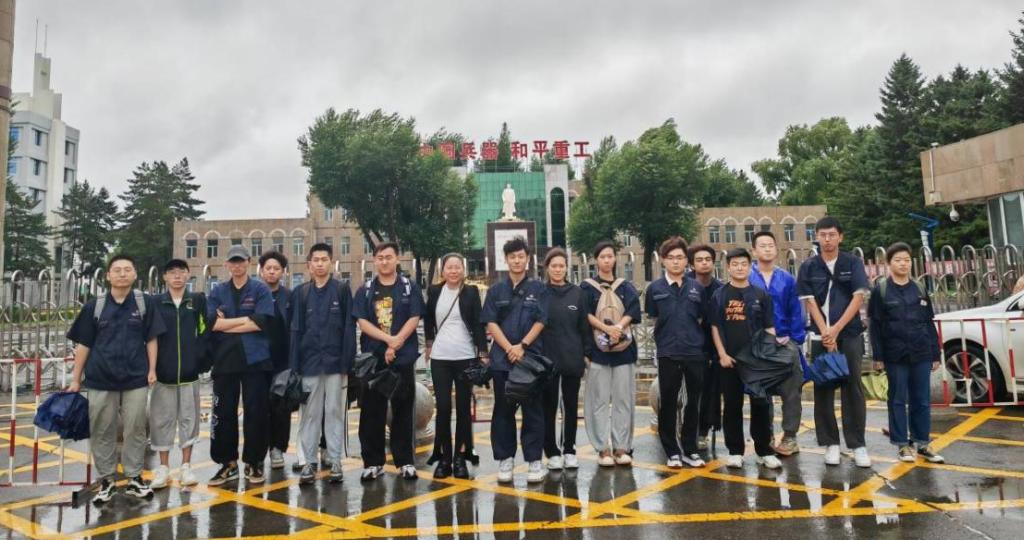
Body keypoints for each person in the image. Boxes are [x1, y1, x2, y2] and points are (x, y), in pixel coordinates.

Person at [66, 254, 166, 503]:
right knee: (102, 429)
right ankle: (106, 480)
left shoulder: (144, 303)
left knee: (136, 428)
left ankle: (134, 478)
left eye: (127, 269)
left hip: (135, 377)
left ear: (135, 274)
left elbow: (152, 339)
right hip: (100, 378)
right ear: (108, 275)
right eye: (117, 270)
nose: (122, 274)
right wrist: (76, 379)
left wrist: (152, 369)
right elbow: (83, 344)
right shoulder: (95, 306)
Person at [797, 216, 872, 468]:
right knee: (824, 388)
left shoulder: (853, 263)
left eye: (832, 234)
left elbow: (858, 298)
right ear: (816, 237)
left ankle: (858, 444)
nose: (827, 239)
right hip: (821, 336)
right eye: (822, 235)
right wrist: (825, 333)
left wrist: (837, 329)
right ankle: (830, 443)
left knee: (853, 388)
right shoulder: (808, 266)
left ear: (840, 236)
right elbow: (810, 302)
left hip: (849, 333)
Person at [353, 242, 424, 481]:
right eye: (380, 257)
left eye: (389, 257)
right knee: (372, 411)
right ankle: (373, 462)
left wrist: (396, 343)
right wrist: (388, 341)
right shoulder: (365, 290)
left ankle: (405, 461)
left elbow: (414, 317)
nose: (384, 261)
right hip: (374, 359)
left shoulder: (409, 288)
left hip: (402, 358)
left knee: (403, 409)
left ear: (397, 259)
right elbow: (362, 322)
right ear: (375, 261)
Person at [869, 242, 945, 464]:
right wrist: (878, 356)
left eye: (907, 260)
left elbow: (928, 322)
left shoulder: (919, 288)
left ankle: (922, 443)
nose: (903, 264)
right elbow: (875, 326)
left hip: (921, 352)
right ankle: (902, 444)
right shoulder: (881, 290)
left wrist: (935, 353)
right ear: (888, 263)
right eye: (898, 260)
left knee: (921, 400)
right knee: (897, 399)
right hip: (895, 354)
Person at [206, 245, 276, 486]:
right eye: (232, 262)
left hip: (255, 359)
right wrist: (245, 320)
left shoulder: (260, 289)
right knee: (223, 413)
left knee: (256, 412)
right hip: (225, 360)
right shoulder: (217, 291)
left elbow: (261, 322)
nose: (237, 265)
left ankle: (254, 462)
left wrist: (228, 324)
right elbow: (212, 324)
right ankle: (228, 463)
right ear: (226, 264)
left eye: (241, 261)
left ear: (249, 262)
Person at [480, 236, 548, 483]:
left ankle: (534, 461)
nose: (517, 260)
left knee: (533, 411)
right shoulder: (496, 290)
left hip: (530, 360)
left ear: (527, 259)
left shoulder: (539, 289)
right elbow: (490, 322)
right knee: (503, 410)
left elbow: (541, 320)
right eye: (512, 257)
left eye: (521, 256)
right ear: (506, 260)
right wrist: (509, 347)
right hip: (502, 360)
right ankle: (505, 459)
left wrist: (523, 346)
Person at [290, 243, 356, 485]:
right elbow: (296, 330)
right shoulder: (301, 293)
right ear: (309, 265)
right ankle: (309, 463)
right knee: (310, 415)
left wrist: (348, 364)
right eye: (315, 260)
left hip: (336, 364)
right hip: (309, 364)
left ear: (331, 263)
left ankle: (335, 461)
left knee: (334, 412)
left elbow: (349, 329)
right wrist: (294, 367)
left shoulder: (341, 290)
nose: (319, 264)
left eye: (324, 259)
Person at [711, 248, 782, 470]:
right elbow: (715, 327)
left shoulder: (761, 295)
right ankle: (735, 451)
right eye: (735, 264)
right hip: (730, 360)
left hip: (757, 361)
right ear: (728, 267)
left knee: (761, 405)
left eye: (743, 264)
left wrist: (768, 356)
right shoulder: (720, 295)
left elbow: (769, 327)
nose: (739, 268)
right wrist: (722, 354)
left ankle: (764, 451)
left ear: (750, 266)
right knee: (732, 405)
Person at [645, 236, 707, 468]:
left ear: (686, 261)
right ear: (663, 260)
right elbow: (654, 317)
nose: (676, 262)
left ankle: (690, 449)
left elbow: (701, 318)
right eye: (671, 257)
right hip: (668, 352)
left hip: (693, 352)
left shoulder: (697, 288)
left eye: (680, 257)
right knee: (668, 401)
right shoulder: (655, 289)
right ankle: (671, 451)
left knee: (692, 401)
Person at [424, 253, 487, 480]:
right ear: (443, 271)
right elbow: (428, 319)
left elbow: (479, 323)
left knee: (462, 409)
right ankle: (444, 458)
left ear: (463, 270)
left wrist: (483, 353)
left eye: (457, 267)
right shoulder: (434, 291)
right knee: (442, 408)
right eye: (449, 267)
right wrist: (429, 344)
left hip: (465, 356)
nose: (453, 271)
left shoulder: (471, 292)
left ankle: (460, 458)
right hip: (440, 357)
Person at [582, 240, 642, 468]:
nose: (607, 260)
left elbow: (633, 311)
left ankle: (621, 447)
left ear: (615, 258)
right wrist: (606, 329)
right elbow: (585, 314)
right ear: (596, 260)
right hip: (597, 352)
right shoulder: (586, 288)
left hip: (623, 352)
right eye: (602, 257)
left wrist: (618, 327)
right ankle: (602, 448)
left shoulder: (625, 286)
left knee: (623, 400)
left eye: (610, 256)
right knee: (598, 401)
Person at [150, 258, 207, 489]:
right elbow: (150, 336)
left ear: (188, 275)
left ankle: (186, 467)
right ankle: (163, 468)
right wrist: (151, 368)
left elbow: (204, 331)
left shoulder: (196, 301)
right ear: (165, 277)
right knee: (161, 421)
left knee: (189, 420)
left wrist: (200, 361)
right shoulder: (155, 302)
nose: (177, 276)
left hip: (189, 375)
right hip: (162, 375)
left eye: (181, 271)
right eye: (172, 272)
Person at [748, 231, 806, 457]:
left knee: (791, 392)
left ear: (776, 249)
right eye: (762, 245)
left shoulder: (787, 279)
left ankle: (790, 436)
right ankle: (766, 436)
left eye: (771, 245)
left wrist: (794, 339)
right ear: (754, 251)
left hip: (784, 342)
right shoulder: (747, 278)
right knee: (761, 394)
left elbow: (796, 311)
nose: (767, 249)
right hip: (757, 346)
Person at [540, 247, 590, 471]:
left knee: (570, 407)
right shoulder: (540, 293)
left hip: (572, 357)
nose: (558, 269)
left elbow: (584, 327)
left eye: (561, 266)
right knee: (548, 406)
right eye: (554, 266)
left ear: (567, 268)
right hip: (547, 359)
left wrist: (586, 353)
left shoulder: (577, 293)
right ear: (547, 268)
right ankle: (551, 451)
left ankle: (569, 449)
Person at [259, 250, 292, 471]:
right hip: (258, 361)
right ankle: (259, 450)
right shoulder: (254, 293)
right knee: (259, 407)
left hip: (283, 361)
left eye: (276, 268)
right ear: (261, 271)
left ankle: (278, 448)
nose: (272, 272)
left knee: (281, 407)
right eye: (268, 268)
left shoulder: (290, 296)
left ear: (283, 272)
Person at [688, 244, 723, 452]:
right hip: (689, 347)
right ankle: (686, 429)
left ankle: (703, 431)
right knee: (689, 392)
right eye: (699, 260)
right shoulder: (685, 285)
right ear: (692, 264)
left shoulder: (720, 289)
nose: (704, 263)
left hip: (714, 348)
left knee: (711, 392)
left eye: (708, 259)